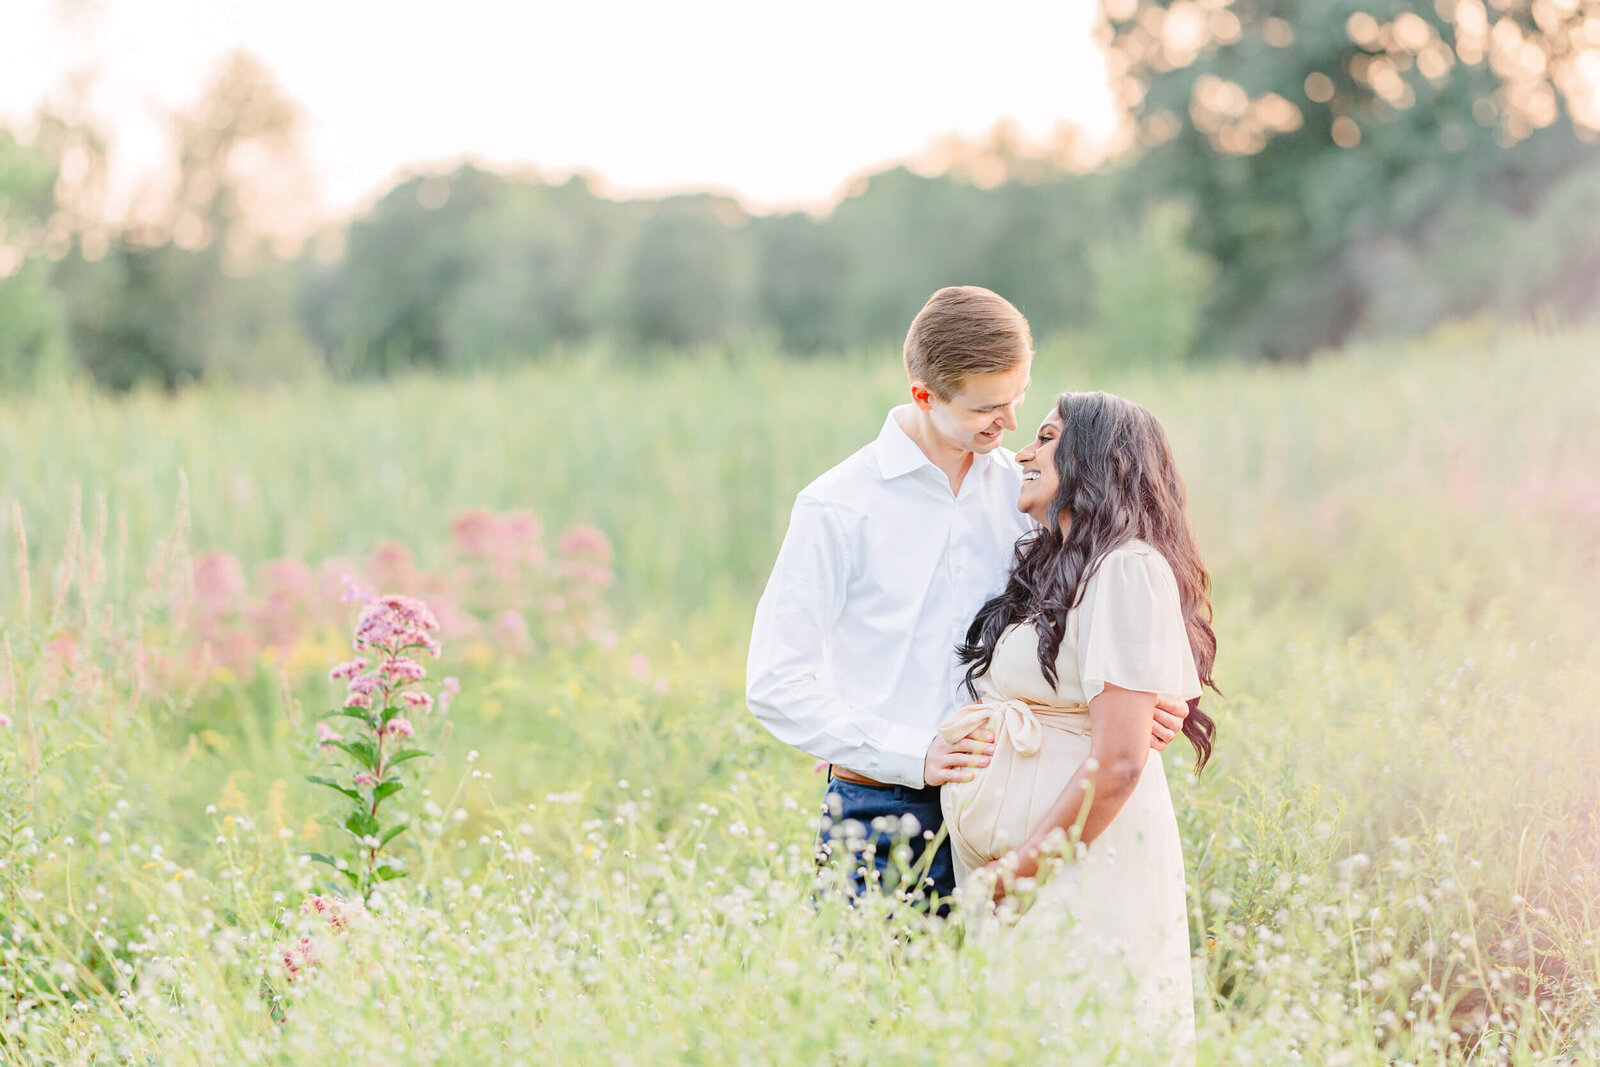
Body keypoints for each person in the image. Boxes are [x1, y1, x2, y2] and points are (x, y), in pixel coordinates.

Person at [745, 286, 1190, 910]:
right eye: (988, 408)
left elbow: (1104, 608)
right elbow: (773, 683)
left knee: (1006, 1009)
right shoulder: (837, 507)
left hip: (1022, 806)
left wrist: (1145, 700)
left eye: (1017, 399)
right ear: (923, 393)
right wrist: (913, 753)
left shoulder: (1032, 490)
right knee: (871, 1004)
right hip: (884, 807)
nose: (1009, 424)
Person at [941, 390, 1218, 1052]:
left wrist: (1014, 878)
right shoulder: (1054, 569)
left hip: (1077, 865)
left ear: (1097, 458)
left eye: (1044, 437)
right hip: (1031, 871)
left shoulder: (1127, 570)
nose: (1022, 452)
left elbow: (1120, 760)